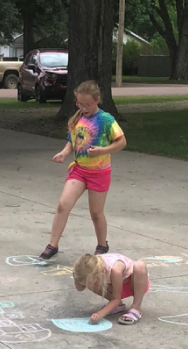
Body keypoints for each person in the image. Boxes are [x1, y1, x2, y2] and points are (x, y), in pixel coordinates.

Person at [39, 80, 126, 260]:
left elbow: (121, 142)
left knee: (95, 213)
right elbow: (72, 142)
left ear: (97, 100)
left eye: (87, 104)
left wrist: (103, 151)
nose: (84, 107)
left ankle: (102, 244)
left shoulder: (106, 119)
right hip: (79, 170)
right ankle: (52, 244)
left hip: (99, 172)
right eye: (80, 103)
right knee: (63, 205)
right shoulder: (78, 118)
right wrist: (64, 153)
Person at [72, 253, 148, 325]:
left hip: (134, 284)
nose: (88, 285)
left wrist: (99, 314)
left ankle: (136, 308)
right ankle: (118, 306)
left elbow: (116, 299)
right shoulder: (92, 266)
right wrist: (76, 277)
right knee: (90, 283)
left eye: (91, 281)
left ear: (98, 273)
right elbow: (80, 288)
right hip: (114, 284)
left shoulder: (115, 270)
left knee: (140, 265)